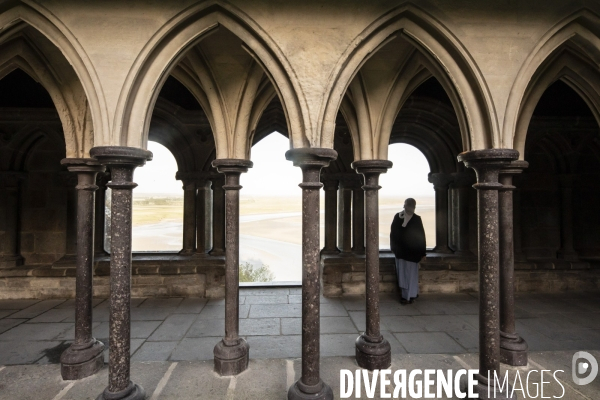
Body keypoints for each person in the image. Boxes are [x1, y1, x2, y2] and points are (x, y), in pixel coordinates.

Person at [390, 198, 426, 305]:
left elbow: (421, 236)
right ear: (404, 205)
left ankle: (411, 295)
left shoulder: (417, 219)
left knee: (411, 275)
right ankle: (407, 295)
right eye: (408, 204)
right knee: (403, 275)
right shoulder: (398, 217)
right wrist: (394, 248)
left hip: (413, 253)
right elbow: (393, 234)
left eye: (411, 205)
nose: (409, 207)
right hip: (401, 252)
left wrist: (423, 253)